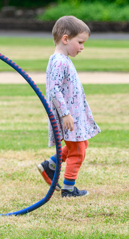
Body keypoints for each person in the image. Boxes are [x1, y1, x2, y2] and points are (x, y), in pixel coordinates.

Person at [37, 16, 100, 198]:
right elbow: (54, 89)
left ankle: (50, 165)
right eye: (80, 42)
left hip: (74, 114)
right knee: (78, 152)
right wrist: (65, 114)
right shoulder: (59, 61)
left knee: (80, 144)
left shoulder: (62, 59)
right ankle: (68, 189)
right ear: (65, 39)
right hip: (68, 115)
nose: (82, 47)